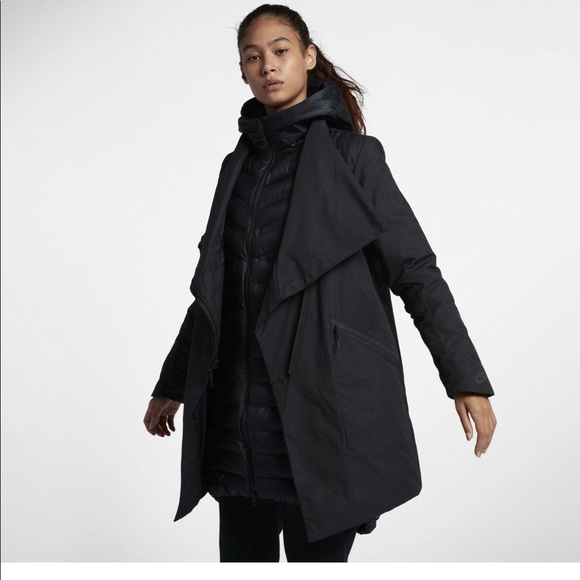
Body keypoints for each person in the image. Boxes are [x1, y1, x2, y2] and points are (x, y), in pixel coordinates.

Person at [143, 3, 497, 563]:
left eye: (280, 51)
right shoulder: (235, 166)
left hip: (322, 419)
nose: (268, 66)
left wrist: (465, 380)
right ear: (242, 71)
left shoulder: (354, 158)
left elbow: (415, 271)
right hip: (236, 426)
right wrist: (173, 383)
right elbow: (215, 288)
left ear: (308, 57)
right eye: (253, 57)